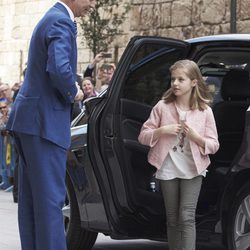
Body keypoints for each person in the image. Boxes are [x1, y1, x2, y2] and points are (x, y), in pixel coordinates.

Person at [6, 1, 96, 250]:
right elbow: (59, 68)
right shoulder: (61, 20)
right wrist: (75, 92)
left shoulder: (51, 17)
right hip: (44, 122)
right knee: (49, 202)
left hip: (30, 121)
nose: (93, 4)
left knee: (32, 202)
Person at [138, 59, 219, 250]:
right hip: (168, 168)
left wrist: (197, 138)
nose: (175, 83)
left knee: (187, 216)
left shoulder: (205, 111)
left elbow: (214, 145)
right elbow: (143, 136)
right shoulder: (162, 107)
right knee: (173, 218)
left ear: (194, 82)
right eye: (173, 79)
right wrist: (161, 130)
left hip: (193, 169)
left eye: (181, 79)